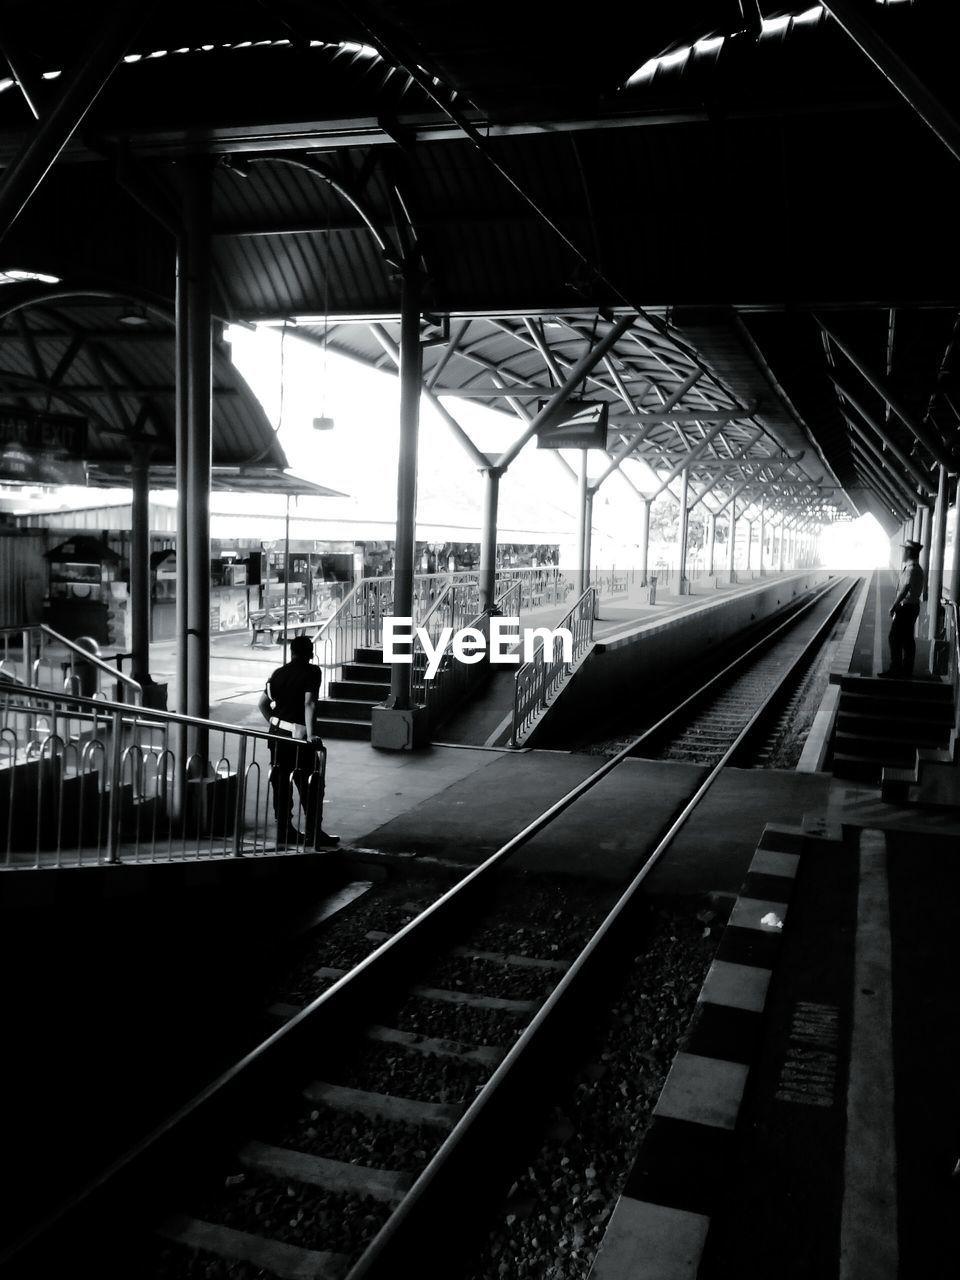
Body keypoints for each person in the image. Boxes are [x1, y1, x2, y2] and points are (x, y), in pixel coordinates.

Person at [257, 634, 339, 849]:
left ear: (292, 652)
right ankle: (313, 832)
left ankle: (285, 830)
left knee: (281, 784)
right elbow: (309, 703)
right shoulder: (312, 671)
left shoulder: (278, 674)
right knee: (310, 784)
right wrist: (311, 736)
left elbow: (263, 704)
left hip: (276, 737)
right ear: (310, 653)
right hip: (299, 739)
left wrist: (274, 724)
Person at [882, 539, 925, 678]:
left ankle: (896, 669)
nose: (902, 553)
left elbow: (905, 589)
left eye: (904, 551)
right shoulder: (916, 568)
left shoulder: (911, 569)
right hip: (912, 607)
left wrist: (894, 605)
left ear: (908, 552)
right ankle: (905, 671)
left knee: (894, 637)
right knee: (907, 639)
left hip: (906, 608)